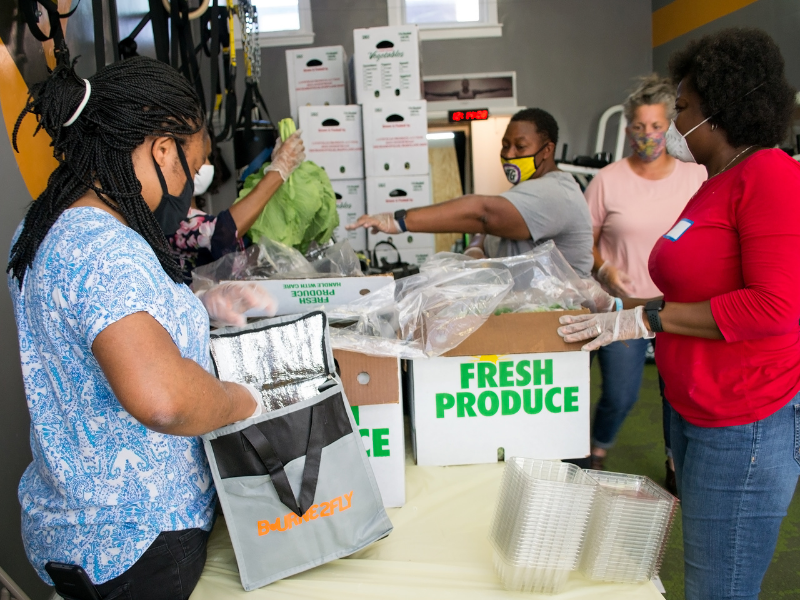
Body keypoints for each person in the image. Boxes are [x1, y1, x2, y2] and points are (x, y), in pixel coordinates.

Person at [7, 57, 272, 599]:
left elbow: (101, 320)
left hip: (69, 530)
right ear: (161, 150)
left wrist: (201, 302)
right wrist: (242, 402)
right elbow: (164, 401)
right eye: (192, 170)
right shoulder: (106, 249)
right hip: (139, 548)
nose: (190, 196)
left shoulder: (43, 226)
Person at [557, 28, 800, 600]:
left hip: (743, 422)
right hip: (690, 409)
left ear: (721, 109)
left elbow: (775, 305)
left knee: (718, 586)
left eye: (682, 109)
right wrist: (621, 309)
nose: (671, 125)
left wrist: (647, 322)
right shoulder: (714, 183)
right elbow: (693, 284)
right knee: (702, 568)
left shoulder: (770, 176)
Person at [584, 74, 706, 484]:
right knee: (620, 395)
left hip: (681, 309)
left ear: (670, 127)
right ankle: (595, 450)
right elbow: (584, 241)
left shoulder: (696, 175)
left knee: (678, 397)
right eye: (640, 127)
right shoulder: (608, 181)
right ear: (627, 129)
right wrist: (604, 268)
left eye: (657, 127)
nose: (649, 136)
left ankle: (675, 466)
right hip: (626, 307)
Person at [347, 108, 594, 277]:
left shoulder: (554, 193)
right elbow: (492, 229)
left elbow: (484, 214)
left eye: (520, 147)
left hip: (559, 320)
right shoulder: (526, 192)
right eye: (505, 145)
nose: (509, 154)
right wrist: (476, 246)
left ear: (547, 149)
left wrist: (398, 221)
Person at [168, 131, 305, 282]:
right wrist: (280, 170)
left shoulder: (193, 214)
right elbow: (221, 232)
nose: (203, 165)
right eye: (201, 158)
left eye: (207, 157)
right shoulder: (166, 218)